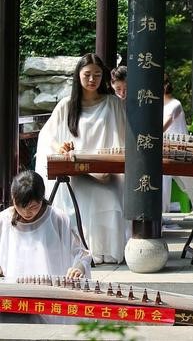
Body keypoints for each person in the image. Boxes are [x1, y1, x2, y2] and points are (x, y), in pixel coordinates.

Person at [35, 53, 127, 265]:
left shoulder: (113, 103)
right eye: (87, 74)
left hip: (106, 172)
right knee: (83, 194)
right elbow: (47, 137)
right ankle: (81, 252)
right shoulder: (66, 106)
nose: (92, 79)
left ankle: (105, 251)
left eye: (97, 74)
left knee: (111, 195)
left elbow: (124, 139)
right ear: (78, 75)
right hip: (75, 173)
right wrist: (61, 148)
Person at [0, 170, 91, 279]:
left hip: (50, 290)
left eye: (33, 207)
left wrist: (79, 267)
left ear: (41, 198)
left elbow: (82, 253)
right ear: (13, 199)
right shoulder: (3, 220)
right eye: (20, 206)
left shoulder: (57, 218)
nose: (26, 212)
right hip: (14, 291)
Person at [163, 74, 193, 214]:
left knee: (189, 185)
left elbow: (162, 126)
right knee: (162, 180)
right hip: (164, 149)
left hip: (179, 149)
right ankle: (161, 213)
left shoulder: (175, 104)